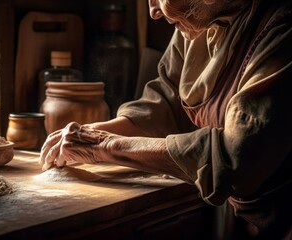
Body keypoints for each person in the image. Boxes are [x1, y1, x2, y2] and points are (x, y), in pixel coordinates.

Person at [39, 0, 292, 238]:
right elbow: (166, 103)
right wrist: (91, 134)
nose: (154, 11)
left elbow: (235, 157)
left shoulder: (282, 26)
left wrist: (103, 146)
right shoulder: (195, 18)